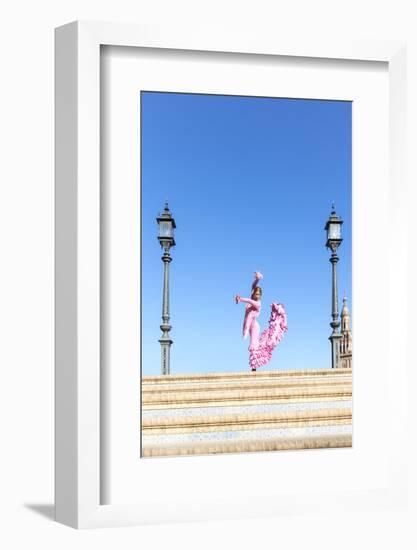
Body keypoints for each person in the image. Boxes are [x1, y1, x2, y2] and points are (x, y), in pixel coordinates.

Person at [235, 272, 287, 371]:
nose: (258, 295)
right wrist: (258, 279)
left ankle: (254, 367)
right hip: (249, 325)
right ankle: (254, 366)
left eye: (259, 294)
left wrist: (240, 299)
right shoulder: (252, 297)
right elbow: (253, 286)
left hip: (254, 326)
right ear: (253, 293)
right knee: (253, 344)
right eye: (256, 293)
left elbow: (250, 302)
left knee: (253, 344)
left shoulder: (257, 303)